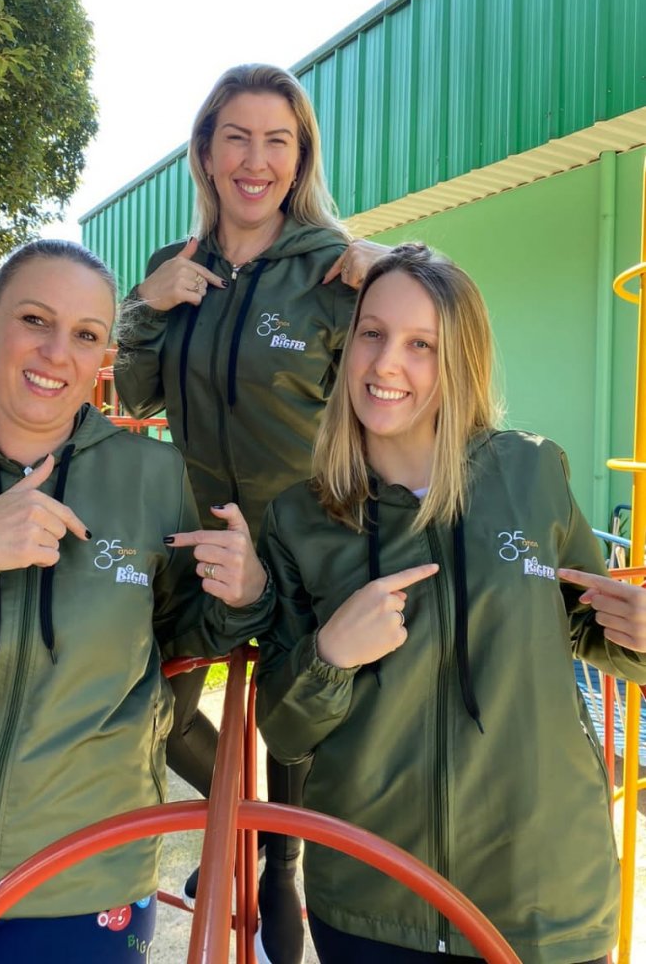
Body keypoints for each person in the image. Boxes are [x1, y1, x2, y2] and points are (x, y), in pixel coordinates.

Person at [0, 239, 272, 964]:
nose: (56, 353)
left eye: (86, 334)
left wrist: (244, 596)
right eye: (35, 320)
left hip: (86, 881)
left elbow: (183, 635)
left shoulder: (154, 475)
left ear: (104, 355)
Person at [255, 242, 646, 964]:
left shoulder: (531, 471)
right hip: (372, 902)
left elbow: (596, 629)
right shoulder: (299, 517)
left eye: (421, 345)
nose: (385, 364)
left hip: (541, 894)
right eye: (372, 333)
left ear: (460, 359)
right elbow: (284, 729)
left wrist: (639, 634)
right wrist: (331, 655)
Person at [115, 63, 386, 964]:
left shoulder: (335, 268)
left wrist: (400, 267)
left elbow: (410, 365)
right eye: (236, 137)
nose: (255, 160)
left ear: (300, 157)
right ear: (205, 152)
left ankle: (284, 861)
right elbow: (136, 392)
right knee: (151, 710)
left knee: (292, 717)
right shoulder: (175, 264)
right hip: (197, 539)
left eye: (278, 140)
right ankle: (250, 821)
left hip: (307, 542)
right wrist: (143, 308)